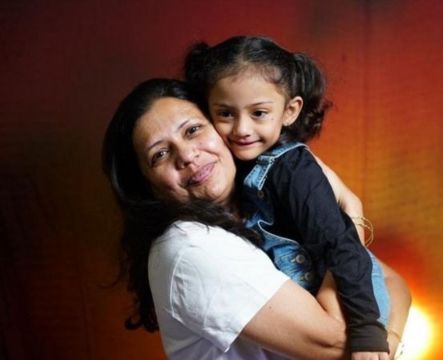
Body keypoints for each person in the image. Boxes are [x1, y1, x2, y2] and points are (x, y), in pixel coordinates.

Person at [102, 78, 411, 359]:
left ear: (222, 129)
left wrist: (385, 343)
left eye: (193, 130)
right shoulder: (189, 247)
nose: (186, 155)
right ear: (149, 188)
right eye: (160, 154)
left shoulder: (263, 202)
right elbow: (339, 342)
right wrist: (350, 214)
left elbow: (393, 283)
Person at [184, 36, 391, 358]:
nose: (241, 128)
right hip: (310, 297)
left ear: (290, 111)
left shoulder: (294, 171)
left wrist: (367, 329)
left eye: (259, 113)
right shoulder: (234, 164)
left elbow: (340, 243)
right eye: (225, 113)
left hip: (351, 296)